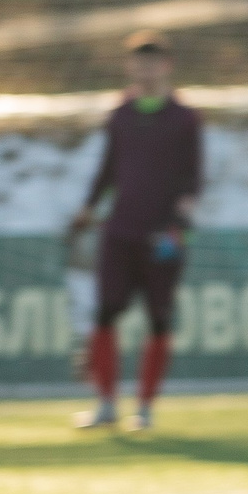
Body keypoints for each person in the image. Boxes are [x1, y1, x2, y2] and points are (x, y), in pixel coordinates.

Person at [68, 30, 202, 433]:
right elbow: (108, 169)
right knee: (105, 313)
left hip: (164, 236)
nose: (144, 69)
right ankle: (106, 402)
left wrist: (180, 219)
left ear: (166, 66)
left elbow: (193, 179)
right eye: (138, 62)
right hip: (121, 230)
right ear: (130, 66)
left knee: (159, 318)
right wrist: (89, 208)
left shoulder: (184, 119)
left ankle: (144, 407)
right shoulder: (121, 114)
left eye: (152, 62)